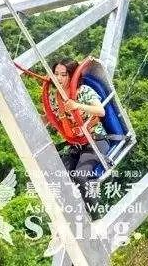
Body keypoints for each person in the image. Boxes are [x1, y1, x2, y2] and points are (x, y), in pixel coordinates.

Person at [49, 58, 108, 216]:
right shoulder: (57, 98)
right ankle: (75, 214)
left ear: (72, 75)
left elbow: (100, 111)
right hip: (76, 145)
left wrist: (77, 105)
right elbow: (53, 116)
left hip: (95, 141)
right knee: (58, 176)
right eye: (56, 74)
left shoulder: (83, 91)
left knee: (80, 176)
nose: (59, 78)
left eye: (64, 74)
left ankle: (97, 215)